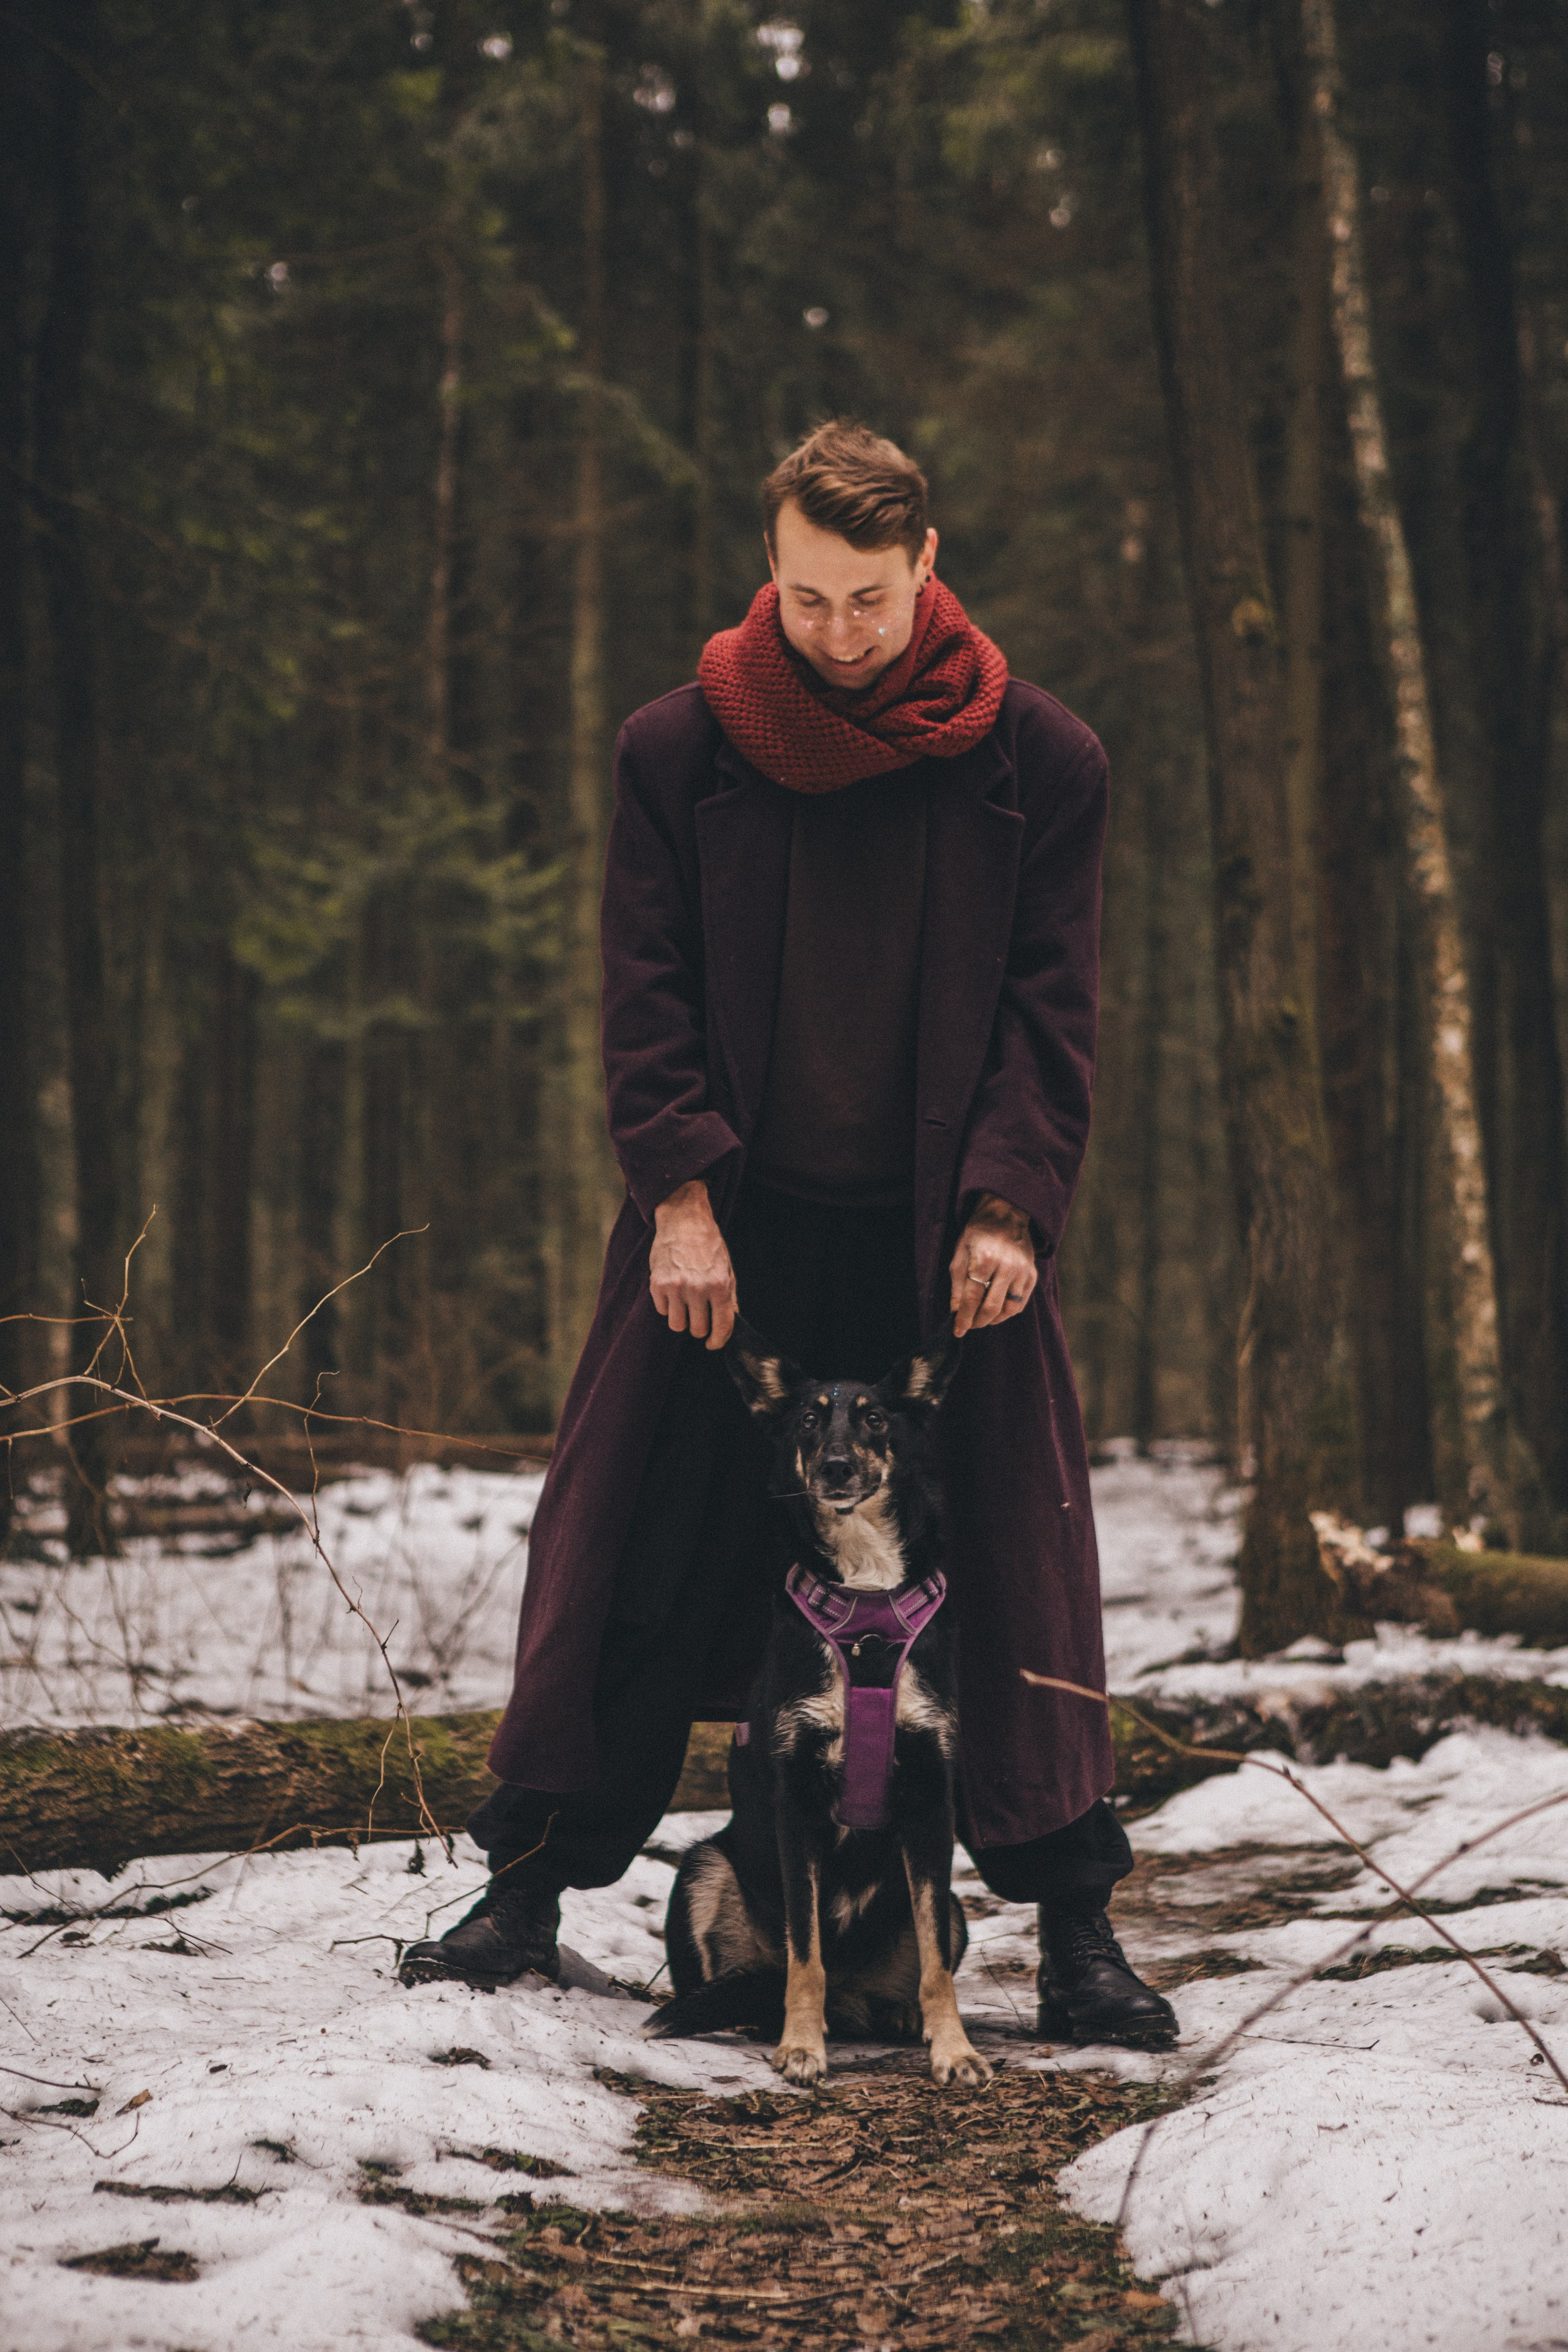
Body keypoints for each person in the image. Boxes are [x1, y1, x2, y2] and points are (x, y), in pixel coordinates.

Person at [400, 421, 1175, 2049]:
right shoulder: (678, 752)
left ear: (929, 570)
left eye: (869, 600)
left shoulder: (1042, 761)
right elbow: (644, 988)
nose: (836, 632)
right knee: (616, 1533)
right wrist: (674, 1190)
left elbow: (1054, 1014)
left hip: (941, 1230)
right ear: (773, 568)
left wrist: (1012, 1203)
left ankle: (1082, 1931)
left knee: (1019, 1569)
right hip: (728, 1226)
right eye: (807, 595)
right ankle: (527, 1885)